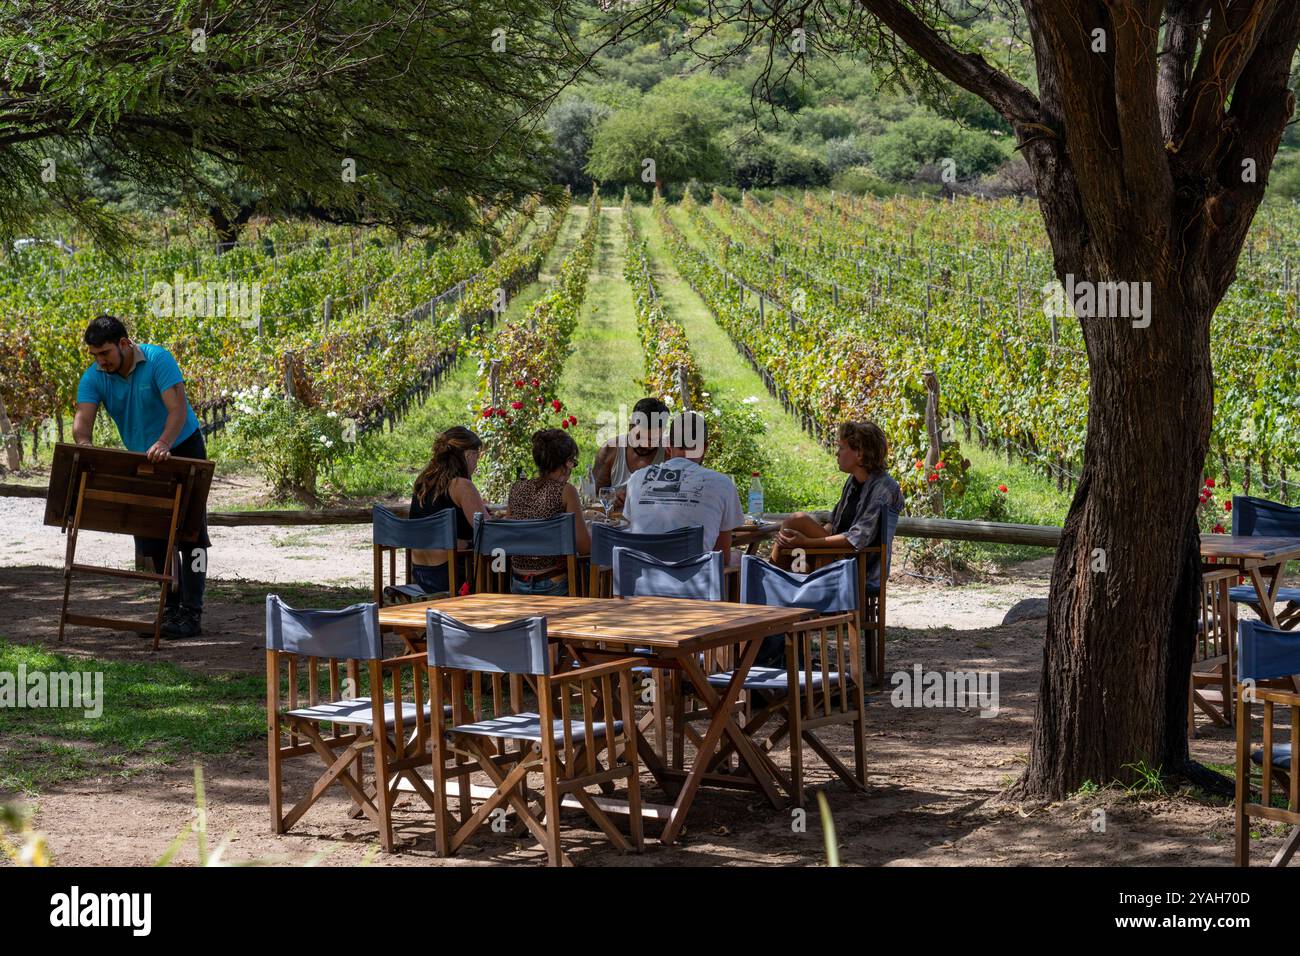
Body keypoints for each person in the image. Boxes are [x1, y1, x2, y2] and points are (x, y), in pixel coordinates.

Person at [72, 314, 209, 639]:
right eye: (94, 355)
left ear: (124, 343)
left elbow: (177, 409)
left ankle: (193, 612)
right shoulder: (94, 376)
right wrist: (86, 446)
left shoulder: (159, 359)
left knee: (193, 537)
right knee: (155, 536)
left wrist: (164, 443)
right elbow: (82, 420)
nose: (99, 361)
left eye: (104, 353)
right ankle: (170, 609)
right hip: (144, 457)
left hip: (183, 446)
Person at [772, 421, 904, 587]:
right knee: (797, 563)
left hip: (858, 566)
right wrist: (802, 539)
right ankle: (774, 592)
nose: (836, 453)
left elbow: (857, 538)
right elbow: (833, 525)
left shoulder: (884, 488)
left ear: (859, 453)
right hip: (839, 557)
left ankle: (766, 585)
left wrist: (806, 542)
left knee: (797, 521)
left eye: (841, 448)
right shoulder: (853, 482)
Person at [623, 410, 743, 557]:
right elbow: (722, 557)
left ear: (668, 446)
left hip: (641, 575)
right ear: (704, 448)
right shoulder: (723, 484)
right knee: (738, 558)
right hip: (694, 577)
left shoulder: (636, 479)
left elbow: (634, 530)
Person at [505, 428, 591, 595]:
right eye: (573, 462)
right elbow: (585, 547)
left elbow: (510, 535)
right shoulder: (566, 491)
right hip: (553, 583)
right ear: (566, 462)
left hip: (517, 583)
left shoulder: (516, 488)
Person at [409, 426, 487, 595]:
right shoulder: (461, 485)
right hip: (452, 575)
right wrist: (467, 543)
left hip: (421, 574)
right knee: (505, 567)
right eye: (477, 455)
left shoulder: (422, 482)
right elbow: (488, 530)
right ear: (467, 455)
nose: (477, 461)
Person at [592, 396, 669, 505]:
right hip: (616, 520)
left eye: (653, 439)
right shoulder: (610, 450)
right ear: (631, 426)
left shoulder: (669, 453)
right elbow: (594, 494)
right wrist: (612, 496)